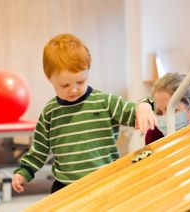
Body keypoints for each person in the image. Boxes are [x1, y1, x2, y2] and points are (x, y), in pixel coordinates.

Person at [12, 33, 157, 194]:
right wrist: (23, 172)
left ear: (88, 70)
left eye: (80, 82)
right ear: (49, 78)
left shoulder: (105, 102)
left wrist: (144, 106)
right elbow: (38, 150)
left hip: (105, 182)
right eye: (64, 85)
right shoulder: (50, 113)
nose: (73, 90)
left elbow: (134, 111)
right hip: (66, 187)